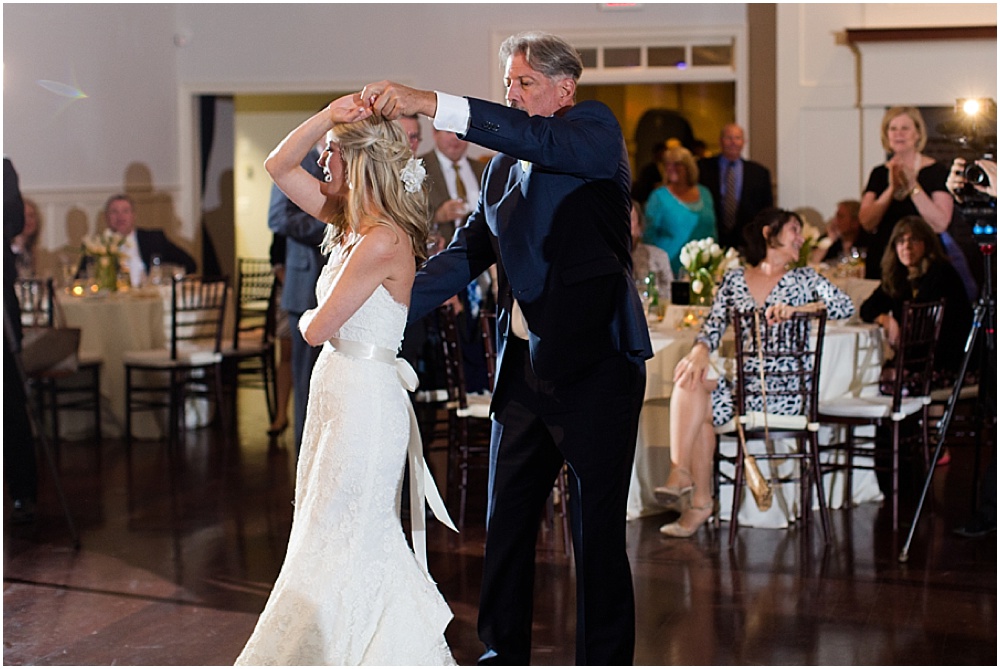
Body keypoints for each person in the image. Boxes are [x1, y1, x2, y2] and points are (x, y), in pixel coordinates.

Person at [361, 30, 653, 665]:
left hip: (598, 366)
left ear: (564, 89)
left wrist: (428, 101)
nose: (512, 95)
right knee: (507, 524)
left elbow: (537, 139)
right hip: (522, 374)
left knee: (594, 533)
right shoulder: (496, 175)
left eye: (524, 84)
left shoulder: (593, 131)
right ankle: (500, 655)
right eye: (507, 85)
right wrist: (378, 304)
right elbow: (462, 258)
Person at [235, 96, 455, 665]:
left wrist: (309, 319)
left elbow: (316, 328)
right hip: (336, 393)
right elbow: (279, 166)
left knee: (351, 528)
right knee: (319, 523)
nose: (322, 162)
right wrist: (328, 117)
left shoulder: (382, 240)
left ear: (358, 163)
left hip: (364, 401)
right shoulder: (347, 222)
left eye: (330, 152)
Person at [655, 208, 854, 538]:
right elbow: (712, 326)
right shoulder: (734, 280)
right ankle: (686, 480)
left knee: (698, 404)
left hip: (787, 394)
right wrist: (700, 350)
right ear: (768, 233)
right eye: (794, 229)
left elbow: (845, 307)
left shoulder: (805, 278)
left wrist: (797, 310)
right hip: (744, 390)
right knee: (689, 379)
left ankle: (695, 495)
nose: (801, 237)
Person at [858, 107, 967, 286]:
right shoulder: (878, 173)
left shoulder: (936, 171)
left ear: (917, 133)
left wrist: (912, 186)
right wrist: (892, 188)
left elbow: (940, 223)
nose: (898, 134)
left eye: (905, 128)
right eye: (893, 129)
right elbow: (867, 221)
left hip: (925, 262)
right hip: (885, 260)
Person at [266, 143, 327, 455]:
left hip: (340, 286)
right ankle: (305, 459)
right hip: (305, 285)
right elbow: (277, 218)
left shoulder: (354, 158)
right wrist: (328, 224)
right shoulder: (299, 162)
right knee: (305, 382)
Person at [4, 157, 39, 524]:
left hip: (1, 302)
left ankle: (23, 491)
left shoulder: (3, 169)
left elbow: (13, 223)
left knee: (10, 398)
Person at [697, 123, 774, 251]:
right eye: (729, 138)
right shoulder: (702, 168)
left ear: (744, 142)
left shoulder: (759, 173)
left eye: (737, 138)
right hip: (711, 240)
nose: (733, 142)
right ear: (720, 141)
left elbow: (766, 210)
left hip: (746, 243)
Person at [644, 145, 717, 274]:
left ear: (688, 167)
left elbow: (713, 231)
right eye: (668, 164)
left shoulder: (705, 193)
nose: (671, 168)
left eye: (677, 164)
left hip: (703, 269)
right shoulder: (658, 197)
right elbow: (648, 236)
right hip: (669, 268)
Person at [99, 194, 197, 285]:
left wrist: (166, 278)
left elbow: (189, 264)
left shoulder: (153, 239)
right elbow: (85, 275)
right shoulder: (97, 245)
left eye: (125, 211)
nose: (120, 217)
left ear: (134, 216)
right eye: (114, 212)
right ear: (106, 217)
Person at [266, 232, 293, 444]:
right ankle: (281, 414)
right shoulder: (286, 216)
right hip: (287, 290)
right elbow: (275, 255)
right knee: (286, 353)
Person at [811, 199, 873, 265]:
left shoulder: (868, 240)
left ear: (855, 222)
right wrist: (830, 240)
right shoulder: (829, 239)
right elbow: (813, 262)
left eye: (840, 217)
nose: (835, 221)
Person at [631, 198, 673, 289]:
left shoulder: (659, 256)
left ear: (640, 227)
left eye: (630, 219)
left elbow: (668, 295)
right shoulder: (607, 261)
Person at [10, 197, 40, 277]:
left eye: (31, 216)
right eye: (23, 216)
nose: (28, 220)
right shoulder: (8, 250)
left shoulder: (29, 250)